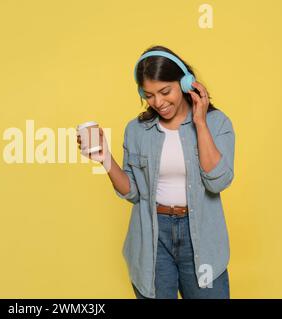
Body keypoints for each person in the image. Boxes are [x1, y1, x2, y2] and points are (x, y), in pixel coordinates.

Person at [77, 45, 235, 299]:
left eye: (165, 91)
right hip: (152, 235)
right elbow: (133, 193)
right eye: (149, 95)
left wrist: (200, 122)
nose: (158, 102)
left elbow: (218, 181)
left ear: (185, 84)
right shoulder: (137, 130)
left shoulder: (217, 124)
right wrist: (105, 159)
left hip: (202, 235)